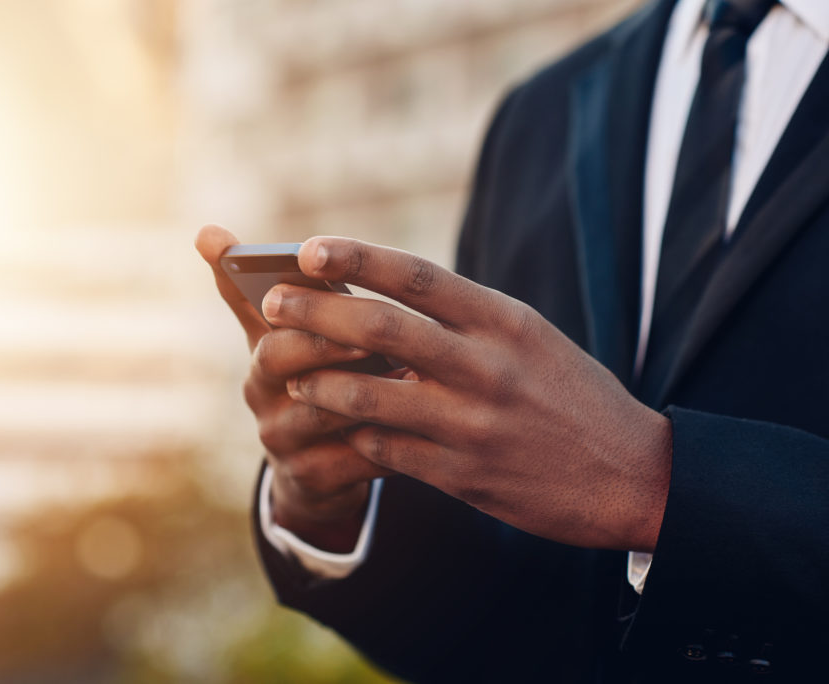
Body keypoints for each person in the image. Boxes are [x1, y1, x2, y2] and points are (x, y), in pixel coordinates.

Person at [196, 0, 829, 680]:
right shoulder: (540, 111)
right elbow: (513, 612)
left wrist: (660, 489)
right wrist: (336, 508)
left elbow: (632, 486)